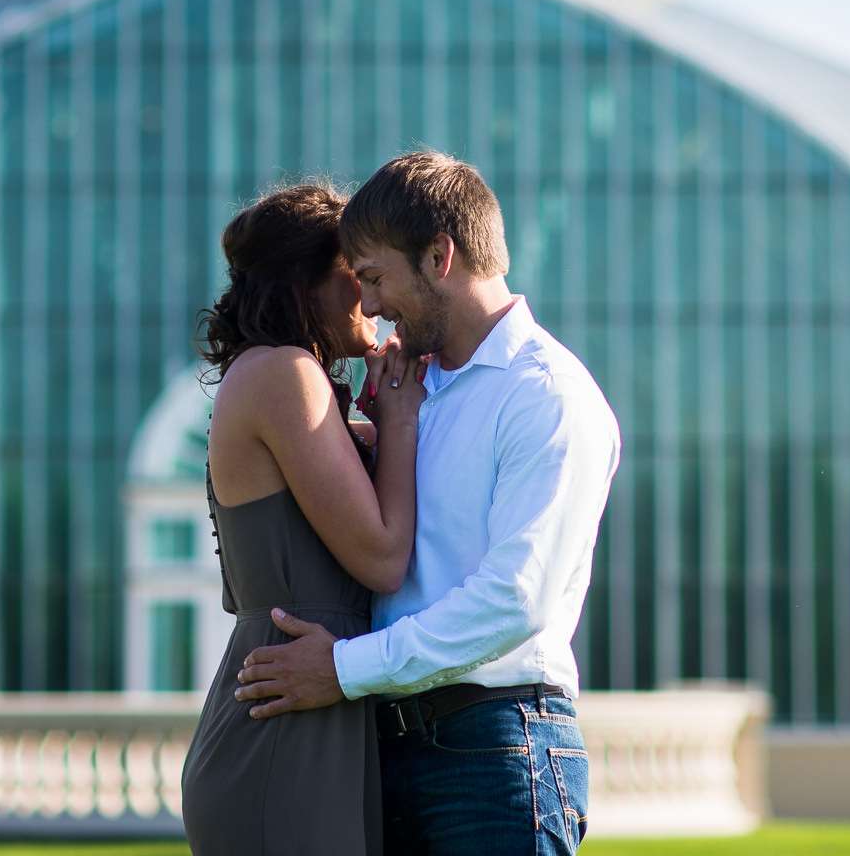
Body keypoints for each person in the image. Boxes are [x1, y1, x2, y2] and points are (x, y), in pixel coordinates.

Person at [233, 152, 622, 856]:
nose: (371, 307)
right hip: (380, 751)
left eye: (376, 278)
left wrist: (344, 668)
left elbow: (514, 600)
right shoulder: (405, 393)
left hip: (496, 751)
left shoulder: (546, 397)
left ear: (439, 257)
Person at [179, 182, 426, 856]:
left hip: (317, 706)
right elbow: (380, 557)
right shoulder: (282, 374)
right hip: (282, 723)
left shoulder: (288, 375)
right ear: (307, 282)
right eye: (359, 275)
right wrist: (399, 423)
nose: (374, 300)